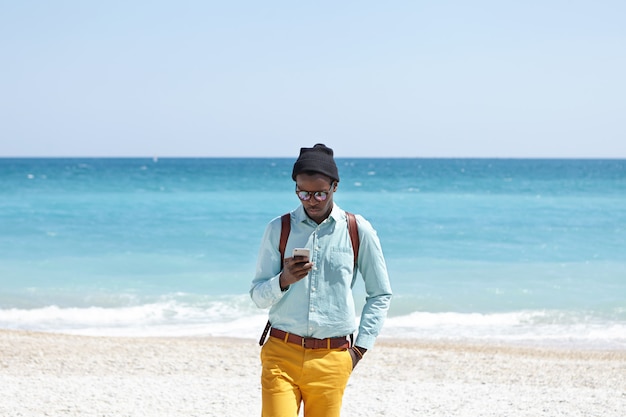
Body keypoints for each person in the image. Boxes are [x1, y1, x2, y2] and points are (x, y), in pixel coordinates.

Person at [250, 143, 393, 417]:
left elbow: (380, 294)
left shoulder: (356, 229)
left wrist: (359, 350)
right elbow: (257, 296)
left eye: (319, 193)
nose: (311, 200)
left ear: (335, 187)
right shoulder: (278, 229)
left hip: (332, 358)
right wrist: (284, 279)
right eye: (303, 192)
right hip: (281, 354)